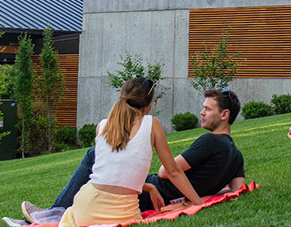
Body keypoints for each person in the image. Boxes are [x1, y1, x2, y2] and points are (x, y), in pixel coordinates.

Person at [12, 89, 245, 226]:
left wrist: (196, 201)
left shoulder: (210, 141)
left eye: (207, 109)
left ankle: (53, 213)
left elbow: (168, 172)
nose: (202, 112)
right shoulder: (236, 154)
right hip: (159, 193)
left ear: (224, 115)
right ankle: (56, 213)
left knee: (95, 153)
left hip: (154, 193)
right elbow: (236, 189)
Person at [55, 78, 202, 226]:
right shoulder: (152, 124)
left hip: (85, 208)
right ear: (148, 104)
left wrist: (149, 187)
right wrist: (199, 203)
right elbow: (173, 171)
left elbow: (111, 175)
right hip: (122, 213)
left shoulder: (102, 126)